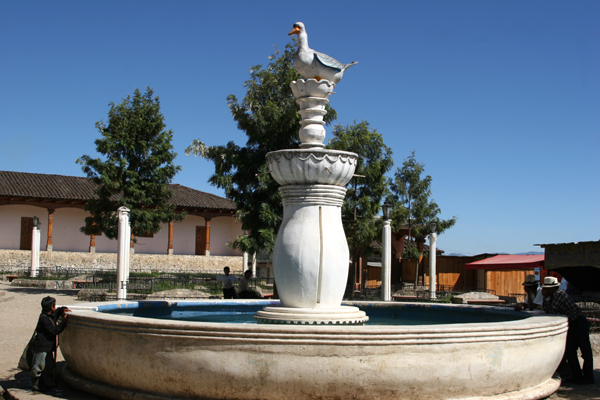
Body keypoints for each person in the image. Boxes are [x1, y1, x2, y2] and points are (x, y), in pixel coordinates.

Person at [541, 276, 594, 384]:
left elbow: (552, 311)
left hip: (578, 323)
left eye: (546, 289)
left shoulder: (559, 295)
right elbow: (547, 311)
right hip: (572, 324)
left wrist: (545, 298)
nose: (544, 291)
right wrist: (545, 298)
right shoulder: (551, 297)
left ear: (553, 288)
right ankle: (576, 374)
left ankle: (588, 376)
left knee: (585, 351)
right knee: (570, 351)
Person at [31, 296, 71, 392]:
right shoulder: (44, 319)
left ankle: (45, 382)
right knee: (38, 366)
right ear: (52, 307)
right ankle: (36, 385)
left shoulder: (49, 315)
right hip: (41, 347)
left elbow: (56, 313)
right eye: (55, 306)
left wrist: (61, 309)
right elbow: (54, 331)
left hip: (47, 347)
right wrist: (64, 323)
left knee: (48, 366)